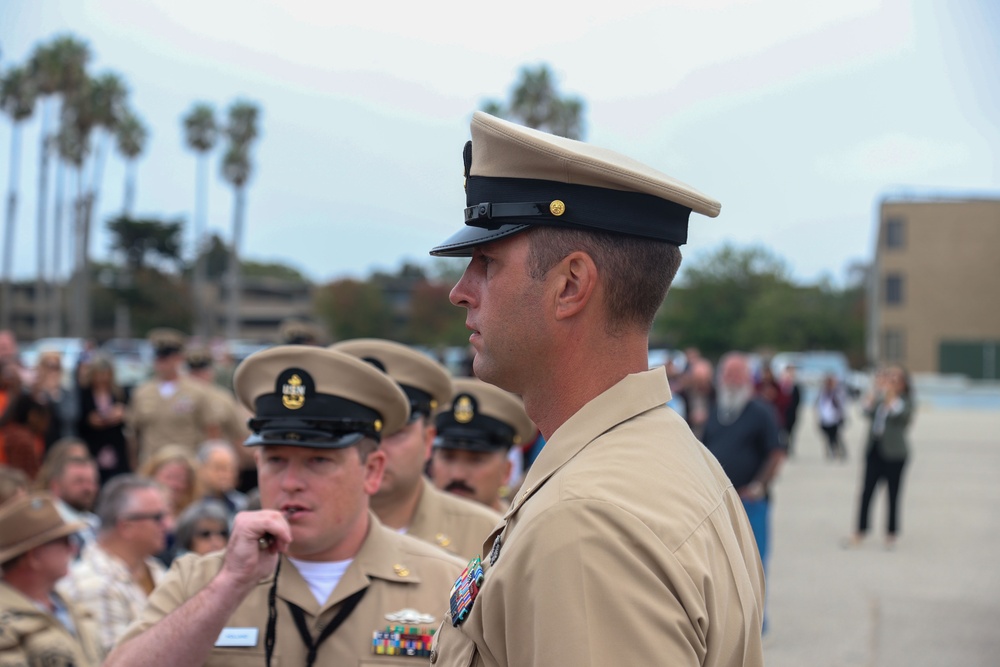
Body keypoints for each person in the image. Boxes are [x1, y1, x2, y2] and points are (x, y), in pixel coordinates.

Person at [426, 111, 764, 665]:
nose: (461, 291)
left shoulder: (585, 522)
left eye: (487, 262)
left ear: (571, 285)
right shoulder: (669, 458)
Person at [105, 345, 465, 666]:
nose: (291, 481)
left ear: (371, 470)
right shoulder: (202, 581)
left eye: (318, 461)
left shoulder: (446, 585)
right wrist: (229, 586)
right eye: (276, 460)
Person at [331, 338, 503, 559]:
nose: (376, 449)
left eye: (394, 432)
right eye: (358, 432)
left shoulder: (488, 534)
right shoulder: (299, 531)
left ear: (428, 440)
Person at [701, 352, 785, 630]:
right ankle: (729, 625)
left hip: (750, 504)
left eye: (738, 374)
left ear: (748, 379)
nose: (732, 379)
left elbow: (775, 453)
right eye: (728, 373)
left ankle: (756, 624)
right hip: (717, 504)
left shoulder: (761, 411)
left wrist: (759, 486)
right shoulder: (715, 409)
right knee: (719, 566)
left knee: (754, 564)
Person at [57, 474, 171, 656]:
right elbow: (117, 661)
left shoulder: (155, 569)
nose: (168, 524)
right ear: (126, 527)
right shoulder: (95, 584)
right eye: (158, 517)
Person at [0, 493, 104, 666]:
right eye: (64, 541)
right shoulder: (5, 620)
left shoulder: (69, 605)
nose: (73, 547)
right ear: (34, 556)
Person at [430, 377, 535, 513]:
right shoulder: (404, 529)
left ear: (506, 471)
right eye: (448, 457)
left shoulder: (522, 532)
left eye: (476, 460)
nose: (458, 474)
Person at [125, 328, 222, 469]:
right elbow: (133, 434)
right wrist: (134, 465)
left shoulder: (197, 391)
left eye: (167, 357)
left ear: (179, 357)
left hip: (187, 466)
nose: (162, 362)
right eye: (158, 357)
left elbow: (212, 431)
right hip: (152, 464)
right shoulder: (142, 392)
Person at [844, 365, 915, 550]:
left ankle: (891, 533)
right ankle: (860, 530)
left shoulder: (905, 401)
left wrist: (890, 397)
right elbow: (865, 411)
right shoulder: (879, 399)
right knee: (866, 491)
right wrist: (874, 393)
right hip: (874, 450)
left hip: (895, 454)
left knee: (893, 494)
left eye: (894, 379)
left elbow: (902, 417)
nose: (889, 382)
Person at [76, 354, 131, 484]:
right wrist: (90, 420)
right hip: (93, 444)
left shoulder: (119, 393)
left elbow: (129, 417)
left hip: (115, 446)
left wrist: (122, 414)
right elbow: (79, 419)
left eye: (106, 374)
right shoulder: (84, 393)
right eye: (99, 374)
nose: (102, 379)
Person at [45, 450, 102, 551]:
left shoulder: (95, 523)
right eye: (78, 481)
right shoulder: (47, 526)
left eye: (91, 481)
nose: (87, 488)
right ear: (56, 486)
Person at [196, 439, 249, 517]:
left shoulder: (244, 505)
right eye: (219, 468)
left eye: (230, 469)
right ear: (201, 470)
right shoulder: (190, 505)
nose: (225, 475)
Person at [678, 357, 716, 440]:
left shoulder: (715, 394)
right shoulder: (684, 394)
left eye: (703, 381)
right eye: (698, 380)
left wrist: (707, 416)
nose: (701, 385)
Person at [816, 373, 847, 460]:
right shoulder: (823, 392)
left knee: (836, 436)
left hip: (836, 418)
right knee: (828, 437)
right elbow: (819, 405)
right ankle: (831, 451)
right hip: (825, 418)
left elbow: (843, 404)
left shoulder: (838, 392)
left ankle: (839, 451)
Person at [780, 363, 803, 455]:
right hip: (783, 412)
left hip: (792, 412)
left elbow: (798, 400)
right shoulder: (782, 385)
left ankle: (789, 448)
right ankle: (784, 447)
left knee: (791, 432)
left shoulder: (795, 386)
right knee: (783, 431)